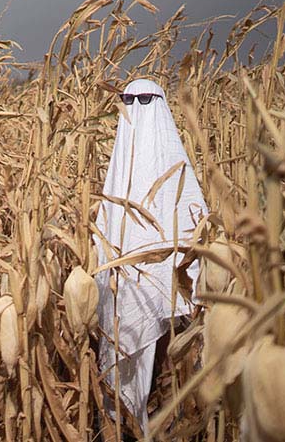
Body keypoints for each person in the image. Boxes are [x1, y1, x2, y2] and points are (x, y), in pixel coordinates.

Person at [94, 78, 207, 436]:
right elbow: (107, 228)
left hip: (166, 279)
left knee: (182, 360)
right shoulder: (119, 168)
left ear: (156, 103)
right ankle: (123, 425)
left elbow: (193, 222)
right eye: (128, 100)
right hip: (123, 282)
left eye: (143, 100)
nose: (135, 107)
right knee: (123, 351)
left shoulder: (173, 163)